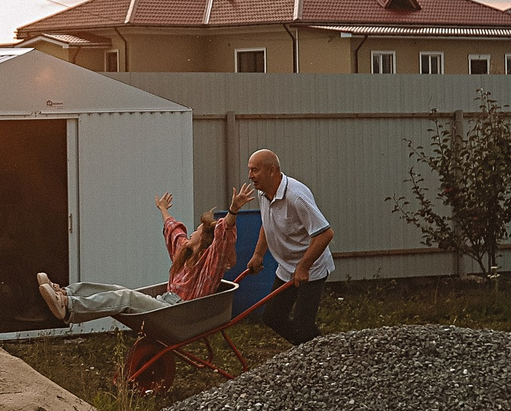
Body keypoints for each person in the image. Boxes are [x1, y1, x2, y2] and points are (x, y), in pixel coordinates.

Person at [35, 187, 255, 323]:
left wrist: (233, 211)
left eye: (196, 231)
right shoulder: (186, 253)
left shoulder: (209, 263)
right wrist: (163, 209)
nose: (192, 232)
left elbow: (223, 238)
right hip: (164, 304)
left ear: (205, 240)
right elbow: (174, 231)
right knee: (116, 289)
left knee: (126, 297)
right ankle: (65, 293)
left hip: (179, 313)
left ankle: (69, 307)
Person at [246, 148, 332, 345]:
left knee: (304, 326)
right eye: (250, 170)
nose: (250, 176)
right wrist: (258, 254)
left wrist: (304, 267)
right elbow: (267, 224)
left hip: (311, 268)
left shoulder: (296, 196)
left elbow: (325, 234)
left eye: (255, 170)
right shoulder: (263, 193)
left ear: (272, 171)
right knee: (272, 317)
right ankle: (307, 350)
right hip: (287, 268)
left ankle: (323, 354)